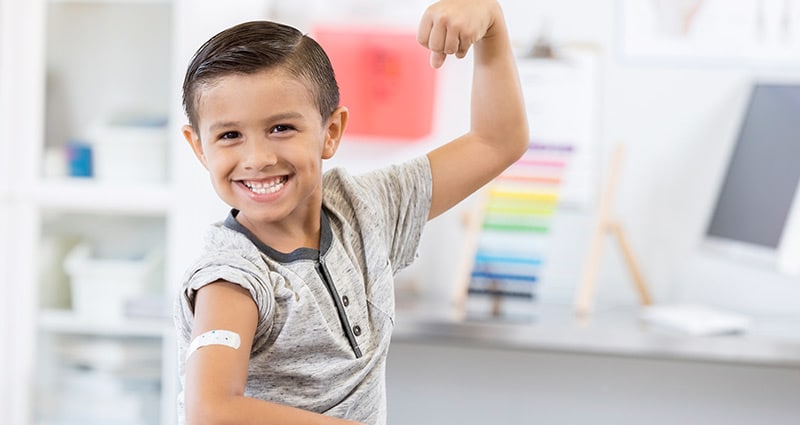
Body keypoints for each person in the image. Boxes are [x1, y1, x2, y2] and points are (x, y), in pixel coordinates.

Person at [173, 0, 528, 424]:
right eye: (230, 135)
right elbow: (211, 410)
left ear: (331, 132)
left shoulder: (366, 209)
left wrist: (490, 19)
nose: (258, 158)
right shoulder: (233, 278)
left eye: (281, 128)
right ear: (200, 148)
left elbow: (496, 141)